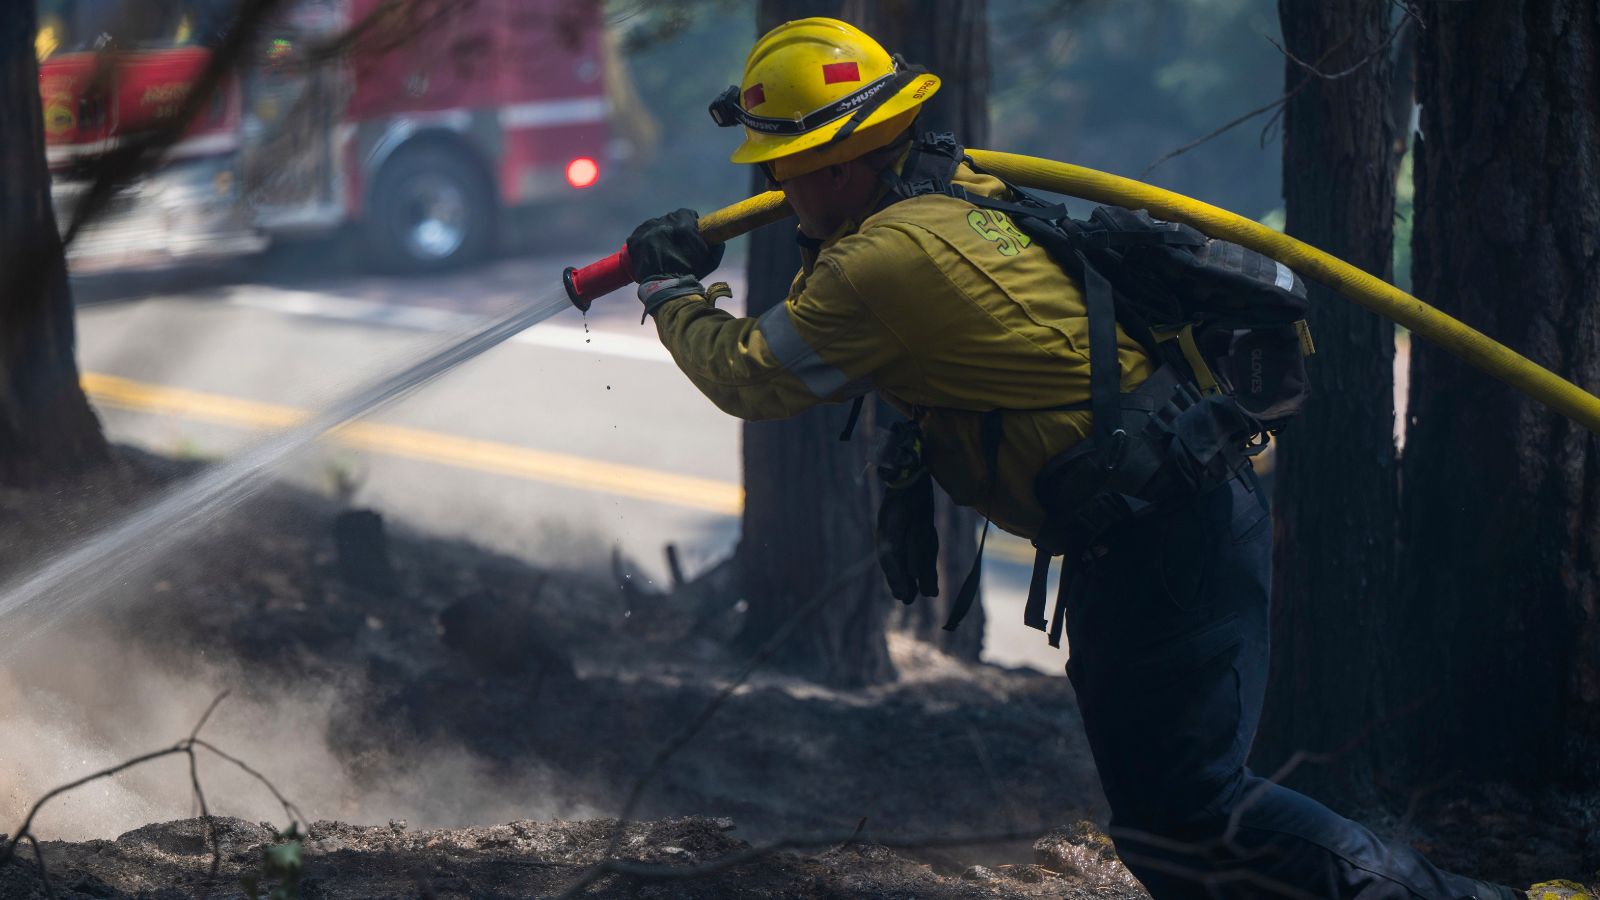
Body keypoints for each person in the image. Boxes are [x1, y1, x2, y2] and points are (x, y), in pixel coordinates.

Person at [622, 16, 1585, 900]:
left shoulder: (881, 264)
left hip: (1170, 542)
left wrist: (671, 286)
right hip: (1151, 534)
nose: (777, 185)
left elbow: (752, 376)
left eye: (785, 165)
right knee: (1163, 822)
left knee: (1195, 805)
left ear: (833, 164)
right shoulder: (954, 198)